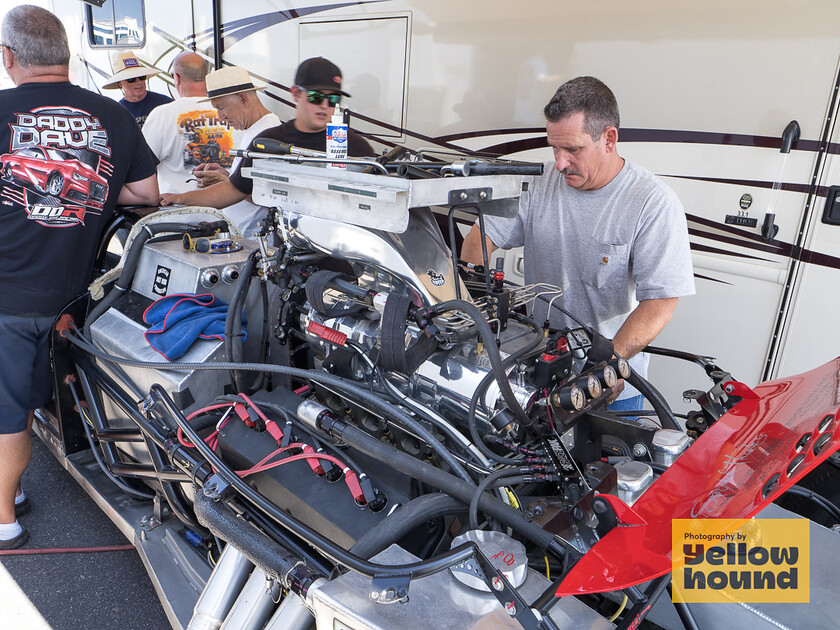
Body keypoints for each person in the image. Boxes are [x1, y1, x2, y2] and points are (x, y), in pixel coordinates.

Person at [0, 5, 159, 549]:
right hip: (75, 293)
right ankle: (13, 488)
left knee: (5, 412)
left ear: (9, 57)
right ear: (66, 57)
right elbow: (145, 196)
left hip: (7, 295)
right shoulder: (112, 115)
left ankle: (4, 517)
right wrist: (84, 184)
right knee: (34, 395)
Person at [461, 76, 695, 410]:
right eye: (554, 147)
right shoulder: (538, 183)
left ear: (609, 139)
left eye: (573, 149)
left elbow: (660, 303)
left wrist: (607, 365)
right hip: (538, 372)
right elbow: (476, 243)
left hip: (608, 386)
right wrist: (475, 321)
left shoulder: (651, 203)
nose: (559, 163)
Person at [160, 57, 374, 224]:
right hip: (289, 262)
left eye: (334, 99)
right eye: (317, 97)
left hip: (341, 262)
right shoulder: (268, 142)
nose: (325, 105)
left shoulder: (356, 146)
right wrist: (180, 198)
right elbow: (234, 190)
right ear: (295, 94)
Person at [158, 66, 279, 235]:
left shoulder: (268, 133)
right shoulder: (254, 129)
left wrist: (226, 181)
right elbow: (250, 184)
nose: (220, 117)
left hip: (255, 240)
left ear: (243, 99)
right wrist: (227, 176)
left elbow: (271, 197)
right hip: (243, 236)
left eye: (221, 107)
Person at [142, 51, 236, 194]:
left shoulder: (162, 114)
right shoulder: (231, 110)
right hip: (227, 207)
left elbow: (141, 167)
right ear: (206, 76)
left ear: (177, 78)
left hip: (179, 210)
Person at [103, 51, 173, 129]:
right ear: (120, 83)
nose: (138, 82)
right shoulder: (117, 112)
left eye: (142, 77)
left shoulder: (165, 104)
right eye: (131, 79)